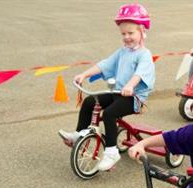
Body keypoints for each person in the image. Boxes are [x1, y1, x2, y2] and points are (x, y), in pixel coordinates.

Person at [58, 3, 155, 171]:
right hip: (118, 93)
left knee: (109, 114)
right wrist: (84, 74)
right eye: (123, 34)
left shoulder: (144, 55)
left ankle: (112, 151)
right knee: (90, 101)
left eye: (131, 33)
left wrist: (130, 85)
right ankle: (80, 133)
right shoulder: (123, 51)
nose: (126, 37)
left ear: (142, 32)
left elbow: (140, 74)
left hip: (135, 98)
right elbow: (105, 65)